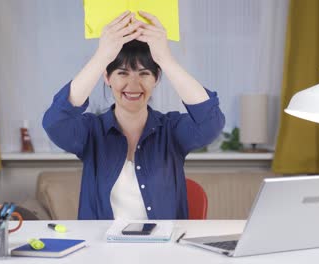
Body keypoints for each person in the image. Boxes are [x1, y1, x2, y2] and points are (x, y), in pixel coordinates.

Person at [43, 10, 225, 220]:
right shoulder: (91, 132)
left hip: (163, 250)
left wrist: (165, 59)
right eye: (122, 73)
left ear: (156, 78)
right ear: (107, 77)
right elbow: (55, 122)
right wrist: (102, 57)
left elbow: (211, 122)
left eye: (144, 73)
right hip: (101, 250)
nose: (133, 85)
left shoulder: (172, 131)